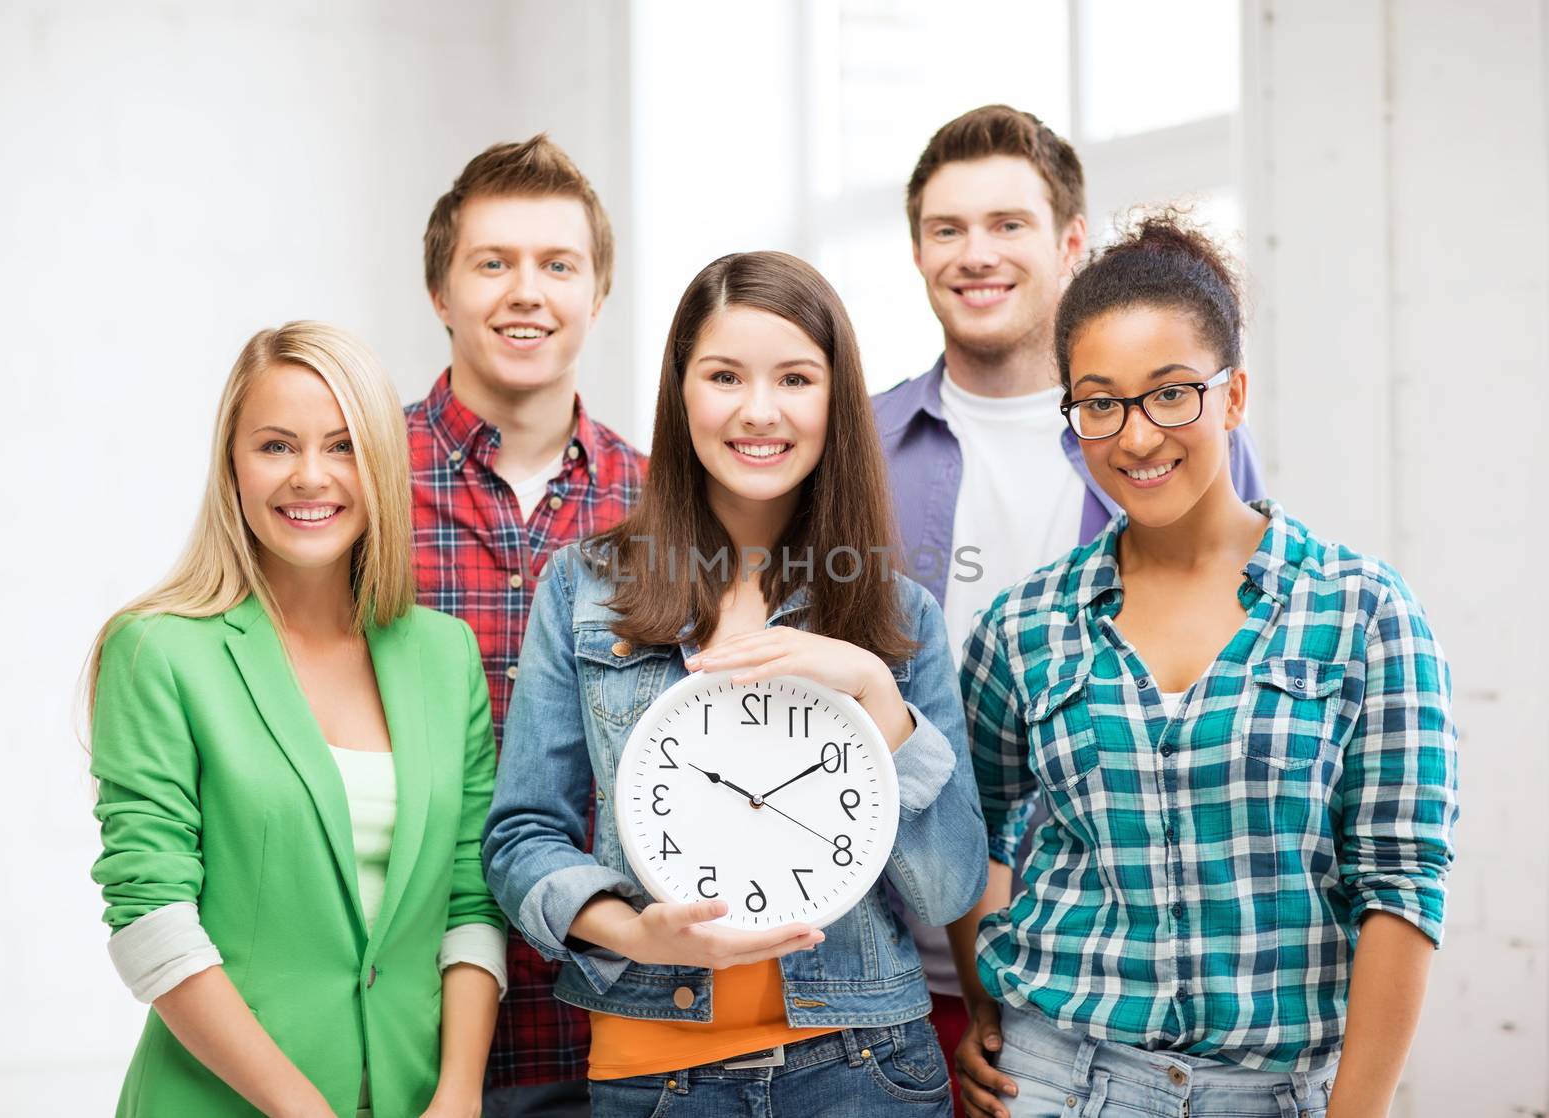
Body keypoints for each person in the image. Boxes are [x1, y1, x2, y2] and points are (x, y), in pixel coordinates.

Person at [952, 215, 1459, 1118]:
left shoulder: (1364, 611)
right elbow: (975, 830)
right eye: (1099, 402)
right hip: (1057, 1079)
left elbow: (1402, 886)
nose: (1137, 437)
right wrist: (983, 998)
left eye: (1171, 393)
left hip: (1278, 1092)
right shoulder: (1024, 625)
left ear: (1233, 396)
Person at [483, 251, 989, 1116]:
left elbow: (949, 889)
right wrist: (631, 932)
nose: (760, 411)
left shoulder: (897, 615)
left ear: (836, 397)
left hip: (866, 1067)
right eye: (725, 376)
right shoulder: (585, 588)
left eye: (795, 378)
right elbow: (522, 837)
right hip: (654, 1075)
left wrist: (874, 690)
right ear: (682, 393)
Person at [870, 106, 1268, 1107]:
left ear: (1070, 242)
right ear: (916, 249)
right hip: (889, 966)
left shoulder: (1170, 440)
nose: (976, 254)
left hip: (1119, 974)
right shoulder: (858, 447)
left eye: (1008, 223)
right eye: (946, 228)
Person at [87, 322, 508, 1117]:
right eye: (276, 446)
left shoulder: (445, 656)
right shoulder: (158, 651)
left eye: (343, 446)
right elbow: (151, 919)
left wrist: (457, 1093)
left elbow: (469, 902)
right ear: (232, 466)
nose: (310, 477)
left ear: (382, 464)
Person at [408, 135, 647, 1116]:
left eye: (558, 265)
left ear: (597, 295)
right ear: (441, 290)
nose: (526, 291)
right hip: (405, 1017)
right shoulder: (357, 492)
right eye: (492, 262)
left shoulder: (665, 508)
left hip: (617, 1021)